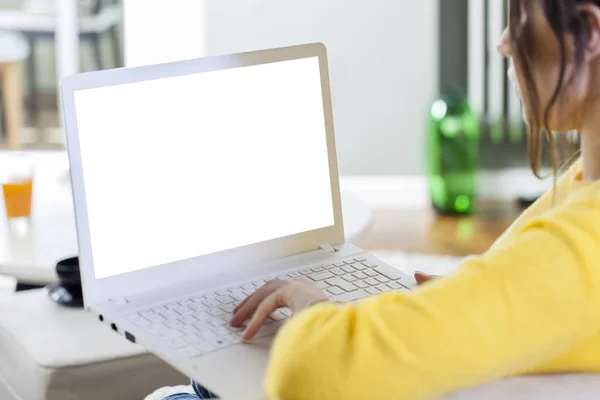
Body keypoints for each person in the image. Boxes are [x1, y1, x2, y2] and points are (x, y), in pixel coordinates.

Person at [165, 0, 600, 398]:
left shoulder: (583, 244)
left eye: (520, 15)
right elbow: (555, 303)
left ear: (590, 32)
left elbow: (311, 374)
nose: (505, 43)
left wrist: (308, 302)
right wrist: (474, 302)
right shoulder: (582, 188)